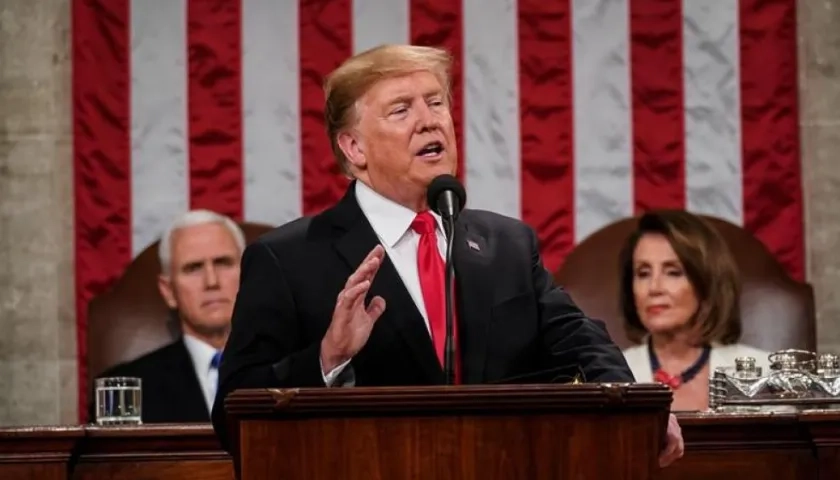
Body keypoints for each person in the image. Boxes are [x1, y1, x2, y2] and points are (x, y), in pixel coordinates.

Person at [212, 44, 683, 466]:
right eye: (401, 110)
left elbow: (582, 343)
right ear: (353, 147)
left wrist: (643, 412)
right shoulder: (288, 259)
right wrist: (326, 358)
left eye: (436, 103)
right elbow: (233, 414)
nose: (430, 119)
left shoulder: (507, 246)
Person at [92, 210, 244, 423]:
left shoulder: (291, 374)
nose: (211, 281)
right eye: (193, 268)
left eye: (223, 263)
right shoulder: (127, 392)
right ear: (169, 291)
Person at [619, 210, 770, 412]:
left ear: (706, 283)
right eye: (643, 273)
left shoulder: (766, 375)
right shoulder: (607, 378)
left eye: (673, 272)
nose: (654, 288)